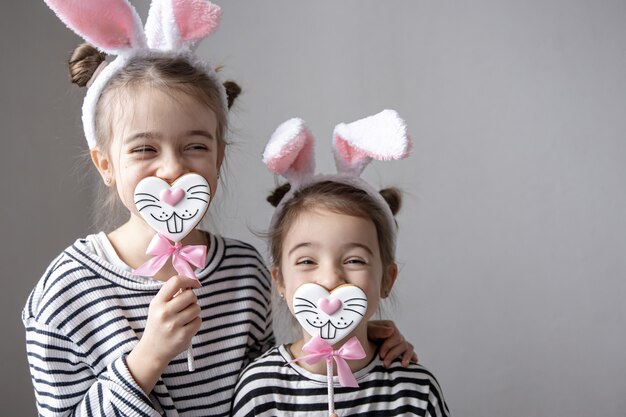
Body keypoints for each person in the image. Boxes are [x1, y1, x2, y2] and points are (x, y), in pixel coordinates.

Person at [23, 1, 416, 416]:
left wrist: (361, 342)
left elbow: (272, 388)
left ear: (219, 157)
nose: (173, 167)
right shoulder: (64, 293)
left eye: (195, 146)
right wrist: (148, 358)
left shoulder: (245, 274)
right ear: (106, 164)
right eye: (144, 149)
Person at [231, 112, 450, 416]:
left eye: (354, 260)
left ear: (387, 279)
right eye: (307, 260)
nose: (331, 277)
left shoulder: (415, 392)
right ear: (280, 281)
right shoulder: (260, 389)